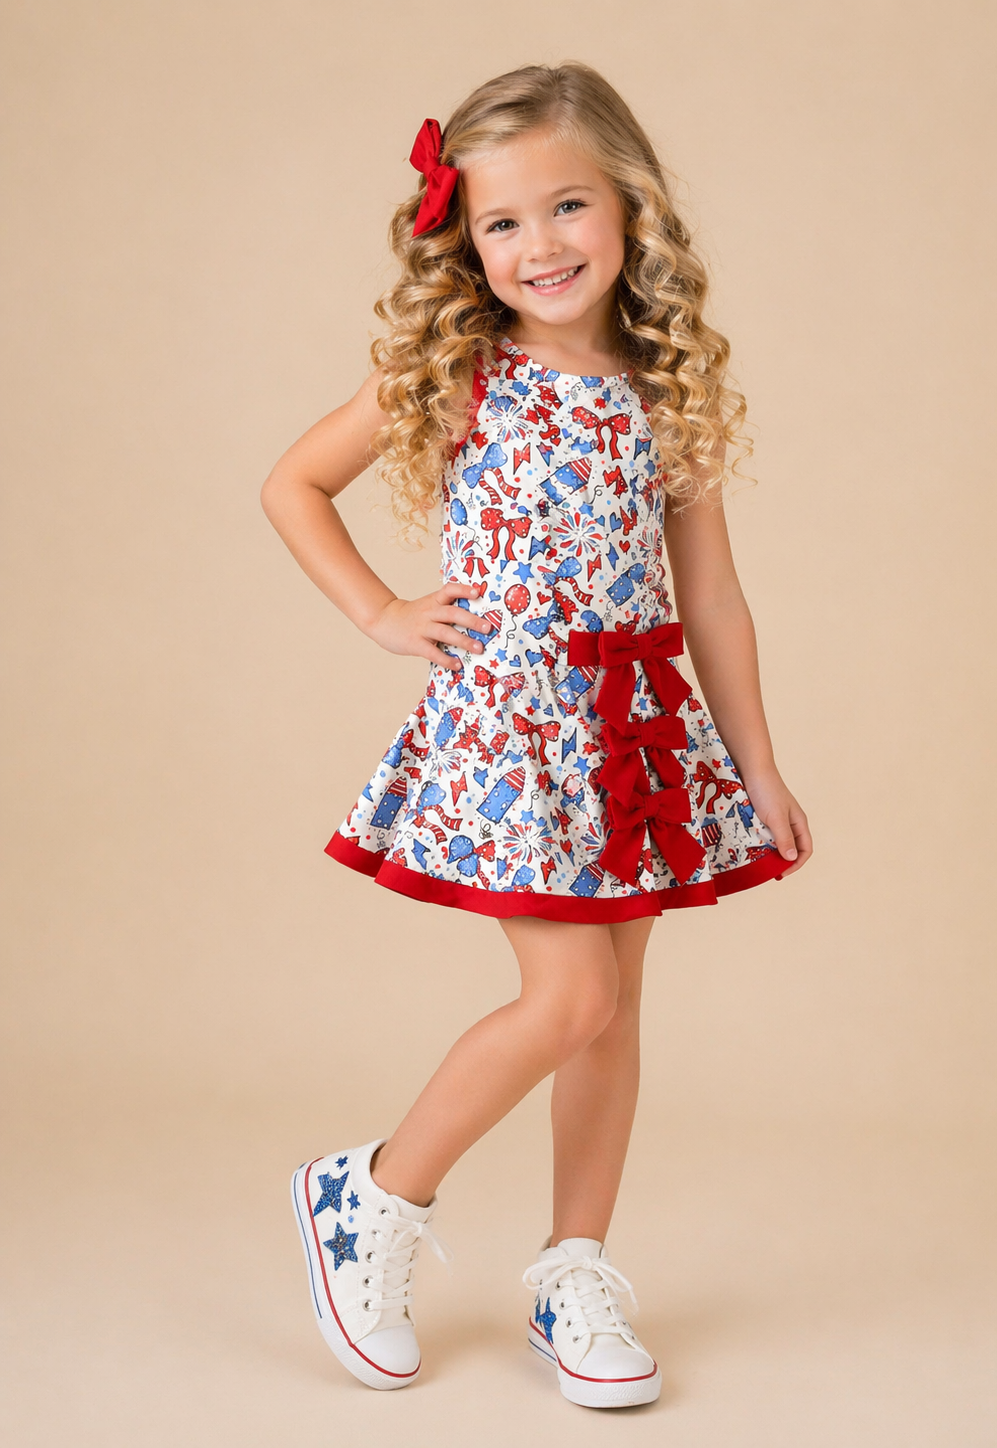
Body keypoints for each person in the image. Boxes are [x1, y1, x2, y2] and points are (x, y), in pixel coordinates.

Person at [260, 62, 812, 1411]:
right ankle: (372, 1194)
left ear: (628, 209)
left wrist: (754, 764)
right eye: (502, 223)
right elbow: (293, 483)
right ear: (463, 239)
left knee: (613, 1020)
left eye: (567, 207)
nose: (540, 244)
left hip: (629, 725)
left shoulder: (660, 384)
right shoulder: (460, 373)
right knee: (567, 998)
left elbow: (715, 598)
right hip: (515, 727)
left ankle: (575, 1273)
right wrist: (381, 608)